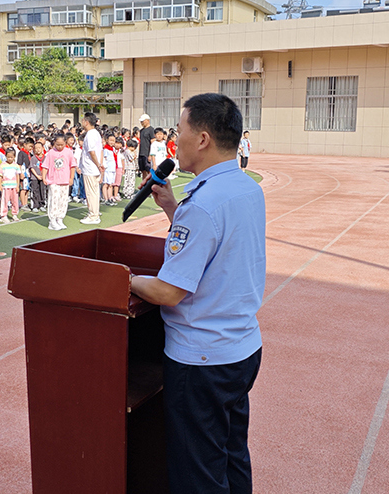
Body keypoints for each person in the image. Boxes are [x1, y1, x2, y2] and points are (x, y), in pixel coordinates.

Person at [130, 93, 265, 494]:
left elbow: (169, 291)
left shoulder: (203, 204)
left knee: (198, 474)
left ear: (202, 138)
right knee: (231, 455)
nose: (176, 140)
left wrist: (124, 279)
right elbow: (215, 248)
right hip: (240, 349)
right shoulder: (243, 188)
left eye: (180, 131)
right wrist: (172, 207)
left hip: (201, 360)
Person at [41, 134, 76, 231]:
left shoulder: (69, 152)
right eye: (58, 144)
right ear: (54, 143)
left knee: (63, 200)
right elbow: (45, 166)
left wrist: (71, 178)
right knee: (54, 200)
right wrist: (44, 177)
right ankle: (52, 220)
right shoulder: (51, 153)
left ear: (65, 143)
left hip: (64, 180)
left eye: (62, 144)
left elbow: (72, 166)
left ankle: (60, 218)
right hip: (53, 180)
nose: (60, 147)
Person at [79, 113, 103, 225]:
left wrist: (98, 164)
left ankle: (93, 215)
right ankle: (94, 213)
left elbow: (92, 152)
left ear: (86, 122)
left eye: (83, 120)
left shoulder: (90, 135)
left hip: (90, 168)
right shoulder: (96, 133)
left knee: (91, 193)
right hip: (94, 168)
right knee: (94, 192)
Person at [0, 147, 21, 224]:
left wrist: (18, 186)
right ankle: (3, 215)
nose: (10, 159)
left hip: (14, 186)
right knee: (5, 201)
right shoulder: (3, 165)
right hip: (6, 186)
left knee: (15, 201)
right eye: (8, 157)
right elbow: (0, 176)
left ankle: (14, 214)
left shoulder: (16, 165)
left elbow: (17, 176)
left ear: (14, 157)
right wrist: (0, 185)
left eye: (11, 157)